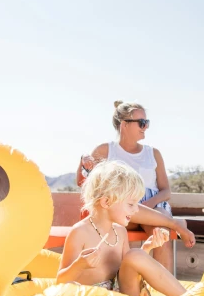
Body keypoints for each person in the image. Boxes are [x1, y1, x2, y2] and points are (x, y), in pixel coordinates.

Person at [77, 100, 190, 271]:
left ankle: (164, 292)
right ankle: (175, 224)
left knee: (160, 233)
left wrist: (145, 206)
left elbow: (166, 191)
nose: (145, 127)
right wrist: (83, 164)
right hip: (121, 206)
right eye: (142, 123)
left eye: (147, 123)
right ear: (124, 124)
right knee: (124, 207)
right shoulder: (105, 151)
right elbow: (85, 184)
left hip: (152, 204)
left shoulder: (153, 153)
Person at [58, 160, 187, 296]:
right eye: (131, 204)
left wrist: (148, 247)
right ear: (106, 202)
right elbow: (60, 281)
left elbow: (128, 269)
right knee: (133, 255)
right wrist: (79, 265)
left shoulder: (120, 231)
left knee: (135, 255)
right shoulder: (80, 233)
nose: (137, 209)